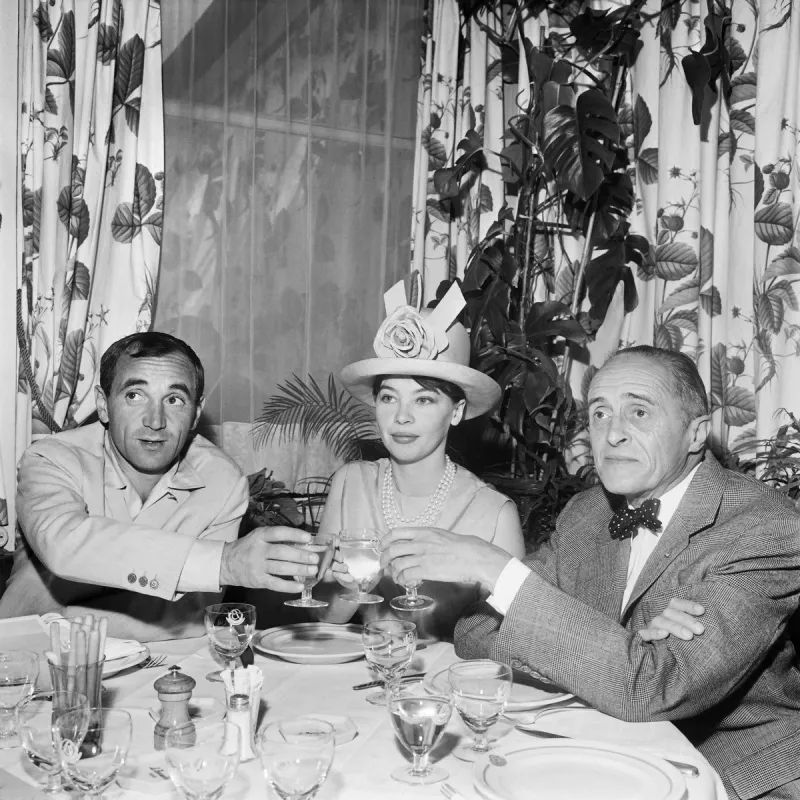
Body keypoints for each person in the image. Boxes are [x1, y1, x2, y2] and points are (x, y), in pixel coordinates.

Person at [382, 345, 800, 800]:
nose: (613, 434)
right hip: (605, 750)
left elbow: (651, 689)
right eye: (599, 414)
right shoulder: (587, 512)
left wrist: (493, 568)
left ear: (696, 433)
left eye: (639, 411)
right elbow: (475, 631)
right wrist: (624, 651)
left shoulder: (765, 527)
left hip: (733, 772)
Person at [0, 332, 320, 640]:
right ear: (102, 403)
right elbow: (66, 546)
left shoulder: (221, 481)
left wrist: (64, 621)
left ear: (195, 412)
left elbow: (194, 616)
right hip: (28, 665)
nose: (155, 421)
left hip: (153, 667)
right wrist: (223, 563)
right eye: (135, 396)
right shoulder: (50, 460)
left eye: (174, 399)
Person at [316, 280, 525, 640]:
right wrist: (348, 588)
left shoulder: (494, 514)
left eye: (424, 400)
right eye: (389, 398)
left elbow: (514, 643)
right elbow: (326, 621)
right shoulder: (349, 484)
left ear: (457, 411)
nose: (401, 417)